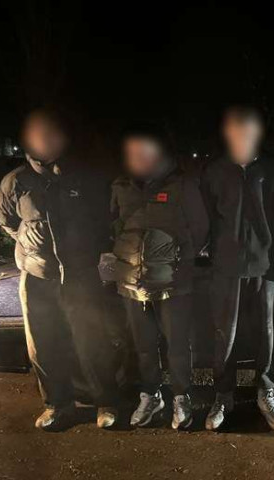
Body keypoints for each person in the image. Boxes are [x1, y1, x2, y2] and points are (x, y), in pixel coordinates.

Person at [0, 108, 120, 430]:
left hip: (81, 275)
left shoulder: (86, 178)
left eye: (52, 133)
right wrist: (30, 242)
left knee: (92, 341)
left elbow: (104, 220)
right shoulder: (16, 181)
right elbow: (6, 221)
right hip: (37, 276)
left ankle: (106, 403)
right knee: (44, 345)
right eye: (38, 134)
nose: (45, 140)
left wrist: (86, 249)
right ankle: (57, 406)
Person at [111, 126, 208, 428]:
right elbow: (113, 226)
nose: (139, 157)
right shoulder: (121, 186)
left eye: (145, 151)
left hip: (173, 282)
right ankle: (151, 395)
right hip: (131, 282)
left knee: (177, 344)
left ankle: (181, 396)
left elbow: (200, 228)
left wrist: (179, 261)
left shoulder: (182, 185)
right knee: (143, 345)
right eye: (133, 152)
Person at [200, 106, 274, 431]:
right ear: (228, 134)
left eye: (248, 131)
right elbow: (207, 217)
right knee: (226, 333)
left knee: (266, 332)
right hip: (226, 267)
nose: (242, 137)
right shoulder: (214, 172)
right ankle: (224, 394)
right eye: (236, 131)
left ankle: (266, 391)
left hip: (266, 267)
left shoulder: (271, 170)